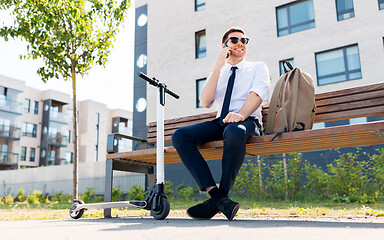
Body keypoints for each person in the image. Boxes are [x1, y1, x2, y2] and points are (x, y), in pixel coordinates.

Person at [172, 27, 270, 221]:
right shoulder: (219, 72)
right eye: (234, 40)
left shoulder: (258, 67)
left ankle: (219, 198)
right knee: (180, 136)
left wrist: (241, 115)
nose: (240, 43)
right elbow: (206, 101)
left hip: (246, 121)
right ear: (225, 45)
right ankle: (218, 198)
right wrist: (218, 64)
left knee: (234, 130)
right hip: (221, 121)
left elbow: (257, 94)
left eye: (244, 40)